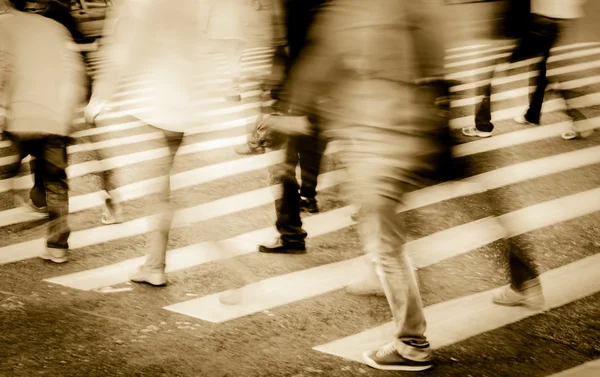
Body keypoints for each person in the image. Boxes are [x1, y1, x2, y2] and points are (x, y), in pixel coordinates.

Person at [85, 0, 224, 285]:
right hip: (179, 110)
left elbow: (125, 54)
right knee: (160, 192)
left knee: (155, 193)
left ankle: (153, 262)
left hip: (148, 108)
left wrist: (100, 97)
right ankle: (154, 264)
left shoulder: (139, 6)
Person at [0, 0, 87, 263]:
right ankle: (58, 246)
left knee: (8, 170)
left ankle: (29, 199)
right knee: (56, 184)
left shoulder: (4, 26)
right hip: (53, 118)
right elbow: (75, 70)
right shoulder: (55, 28)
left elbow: (5, 68)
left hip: (22, 117)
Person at [256, 0, 329, 255]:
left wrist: (274, 93)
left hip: (299, 92)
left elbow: (285, 45)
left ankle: (291, 233)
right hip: (322, 89)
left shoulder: (290, 7)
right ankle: (308, 195)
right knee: (310, 147)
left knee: (283, 165)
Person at [462, 0, 591, 140]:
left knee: (488, 68)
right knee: (548, 69)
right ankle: (534, 115)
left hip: (538, 21)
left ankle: (482, 125)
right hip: (566, 21)